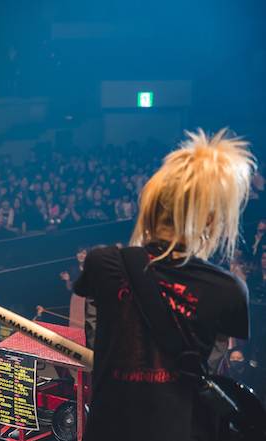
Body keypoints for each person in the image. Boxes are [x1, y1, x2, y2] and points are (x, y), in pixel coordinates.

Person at [74, 128, 256, 441]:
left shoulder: (102, 263)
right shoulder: (229, 290)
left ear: (151, 206)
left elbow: (94, 325)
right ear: (209, 220)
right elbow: (212, 359)